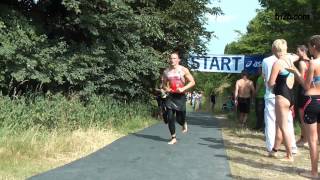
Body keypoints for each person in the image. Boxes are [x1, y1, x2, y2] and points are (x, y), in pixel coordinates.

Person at [288, 35, 320, 178]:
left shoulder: (313, 63)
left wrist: (295, 72)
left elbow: (306, 85)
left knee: (313, 139)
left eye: (310, 46)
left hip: (312, 101)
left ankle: (314, 172)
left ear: (313, 47)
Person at [262, 40, 298, 157]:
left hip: (281, 96)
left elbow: (271, 83)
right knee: (280, 125)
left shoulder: (277, 63)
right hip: (290, 95)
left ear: (274, 49)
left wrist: (266, 81)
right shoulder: (290, 60)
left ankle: (289, 155)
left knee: (282, 126)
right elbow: (297, 56)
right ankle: (275, 150)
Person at [162, 51, 195, 145]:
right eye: (171, 58)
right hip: (171, 96)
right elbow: (164, 84)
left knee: (179, 118)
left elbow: (192, 82)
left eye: (174, 58)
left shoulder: (183, 70)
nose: (172, 60)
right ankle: (173, 137)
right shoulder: (166, 71)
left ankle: (183, 123)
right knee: (170, 117)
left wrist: (183, 88)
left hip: (180, 96)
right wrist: (167, 89)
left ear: (178, 60)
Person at [295, 45, 310, 147]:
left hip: (302, 90)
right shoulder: (312, 61)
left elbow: (301, 79)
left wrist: (294, 75)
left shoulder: (301, 63)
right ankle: (304, 138)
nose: (296, 53)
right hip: (311, 90)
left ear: (303, 51)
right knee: (309, 116)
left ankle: (305, 139)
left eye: (298, 51)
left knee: (302, 116)